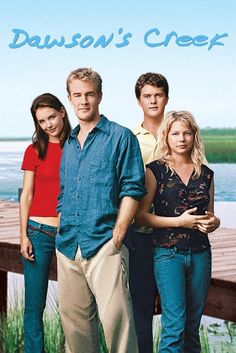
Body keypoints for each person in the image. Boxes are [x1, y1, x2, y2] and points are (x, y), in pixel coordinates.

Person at [56, 67, 146, 353]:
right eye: (77, 95)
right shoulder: (68, 144)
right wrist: (61, 226)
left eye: (89, 94)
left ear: (100, 97)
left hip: (105, 244)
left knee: (117, 327)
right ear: (69, 99)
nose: (83, 101)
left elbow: (132, 188)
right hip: (69, 246)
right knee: (75, 329)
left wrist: (117, 235)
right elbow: (64, 193)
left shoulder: (120, 137)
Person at [135, 111, 220, 353]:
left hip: (201, 254)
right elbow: (140, 216)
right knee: (174, 326)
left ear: (194, 136)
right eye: (175, 133)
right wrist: (178, 222)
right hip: (167, 254)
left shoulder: (206, 173)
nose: (181, 138)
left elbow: (210, 214)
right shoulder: (155, 171)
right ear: (167, 137)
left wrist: (214, 222)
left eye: (186, 133)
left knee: (192, 327)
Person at [20, 93, 71, 353]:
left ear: (63, 112)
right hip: (38, 232)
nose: (48, 124)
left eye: (51, 116)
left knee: (73, 307)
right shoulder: (34, 151)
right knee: (33, 306)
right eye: (41, 121)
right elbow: (26, 195)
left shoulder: (77, 146)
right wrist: (23, 236)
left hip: (69, 235)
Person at [127, 72, 169, 353]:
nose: (153, 100)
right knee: (140, 310)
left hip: (173, 235)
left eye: (158, 95)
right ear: (139, 100)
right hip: (139, 234)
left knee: (175, 311)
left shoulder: (178, 131)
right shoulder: (129, 138)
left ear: (166, 97)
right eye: (147, 96)